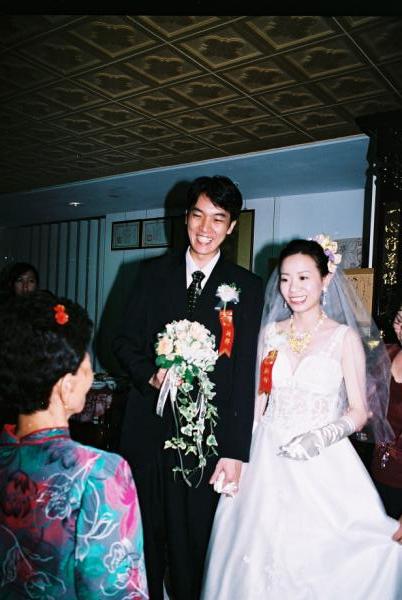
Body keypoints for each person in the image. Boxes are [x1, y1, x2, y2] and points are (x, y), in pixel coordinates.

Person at [201, 237, 402, 599]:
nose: (293, 288)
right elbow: (259, 401)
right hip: (266, 455)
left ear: (325, 280)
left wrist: (321, 436)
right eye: (285, 278)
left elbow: (360, 411)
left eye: (304, 278)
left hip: (322, 458)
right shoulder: (270, 334)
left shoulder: (344, 338)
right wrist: (235, 455)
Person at [113, 175, 264, 600]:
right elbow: (121, 342)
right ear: (186, 218)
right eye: (198, 215)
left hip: (206, 443)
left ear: (231, 227)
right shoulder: (148, 274)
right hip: (147, 432)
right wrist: (151, 374)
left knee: (193, 548)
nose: (205, 228)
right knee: (141, 540)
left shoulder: (247, 287)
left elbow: (246, 374)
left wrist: (235, 451)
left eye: (218, 219)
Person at [0, 291, 148, 599]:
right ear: (67, 387)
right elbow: (117, 591)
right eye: (87, 368)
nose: (91, 378)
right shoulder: (99, 474)